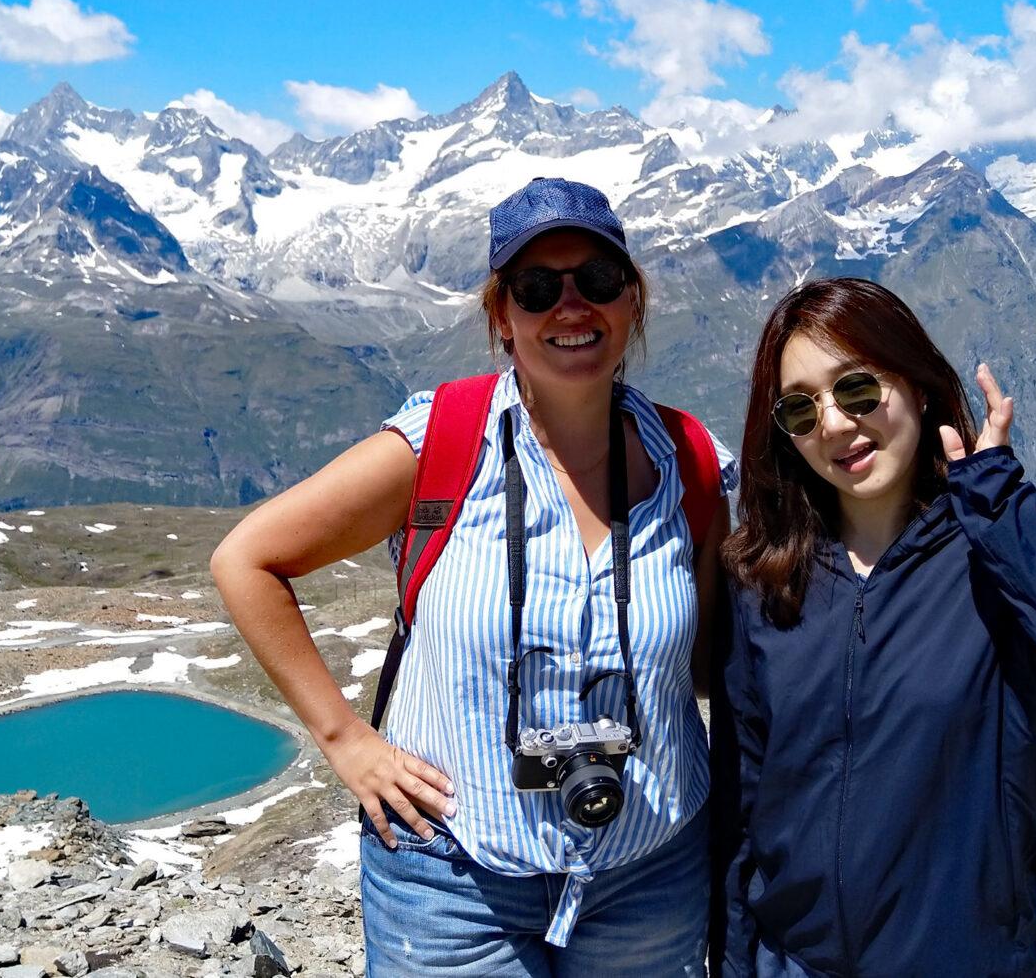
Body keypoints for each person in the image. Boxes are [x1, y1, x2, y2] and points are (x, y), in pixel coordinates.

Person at [213, 177, 737, 976]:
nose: (571, 306)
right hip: (454, 876)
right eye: (537, 288)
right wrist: (344, 739)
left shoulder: (690, 460)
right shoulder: (439, 442)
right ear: (501, 315)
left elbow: (709, 661)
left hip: (651, 865)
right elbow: (246, 558)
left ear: (632, 299)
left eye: (598, 279)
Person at [710, 277, 1036, 978]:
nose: (833, 424)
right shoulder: (763, 579)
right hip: (793, 963)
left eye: (857, 389)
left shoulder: (995, 555)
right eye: (800, 408)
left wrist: (999, 504)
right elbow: (740, 804)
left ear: (918, 387)